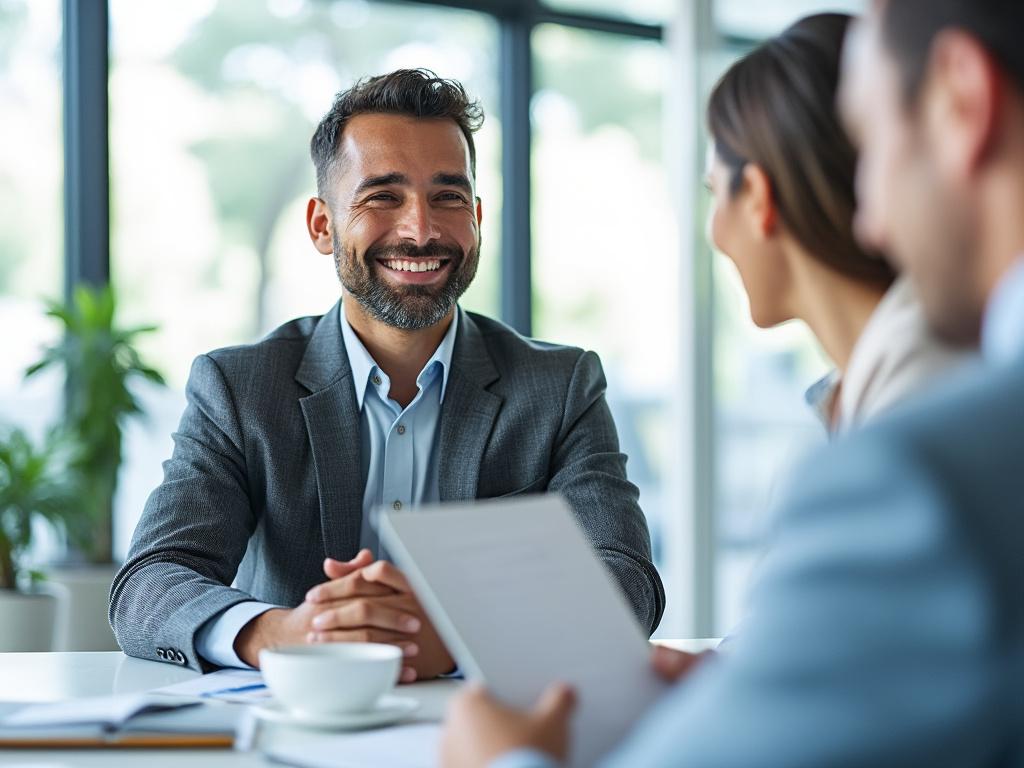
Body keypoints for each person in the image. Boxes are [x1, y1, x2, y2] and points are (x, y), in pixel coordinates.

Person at [440, 2, 1024, 765]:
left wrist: (499, 760)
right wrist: (757, 676)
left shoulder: (916, 466)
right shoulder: (886, 407)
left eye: (875, 143)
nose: (871, 217)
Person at [109, 69, 665, 678]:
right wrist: (282, 634)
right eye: (383, 197)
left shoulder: (560, 387)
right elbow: (149, 586)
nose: (420, 229)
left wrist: (459, 640)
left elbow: (626, 579)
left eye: (448, 198)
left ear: (476, 217)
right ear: (323, 225)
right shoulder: (239, 389)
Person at [706, 12, 967, 435]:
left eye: (715, 193)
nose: (716, 234)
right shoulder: (900, 381)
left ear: (756, 196)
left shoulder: (914, 418)